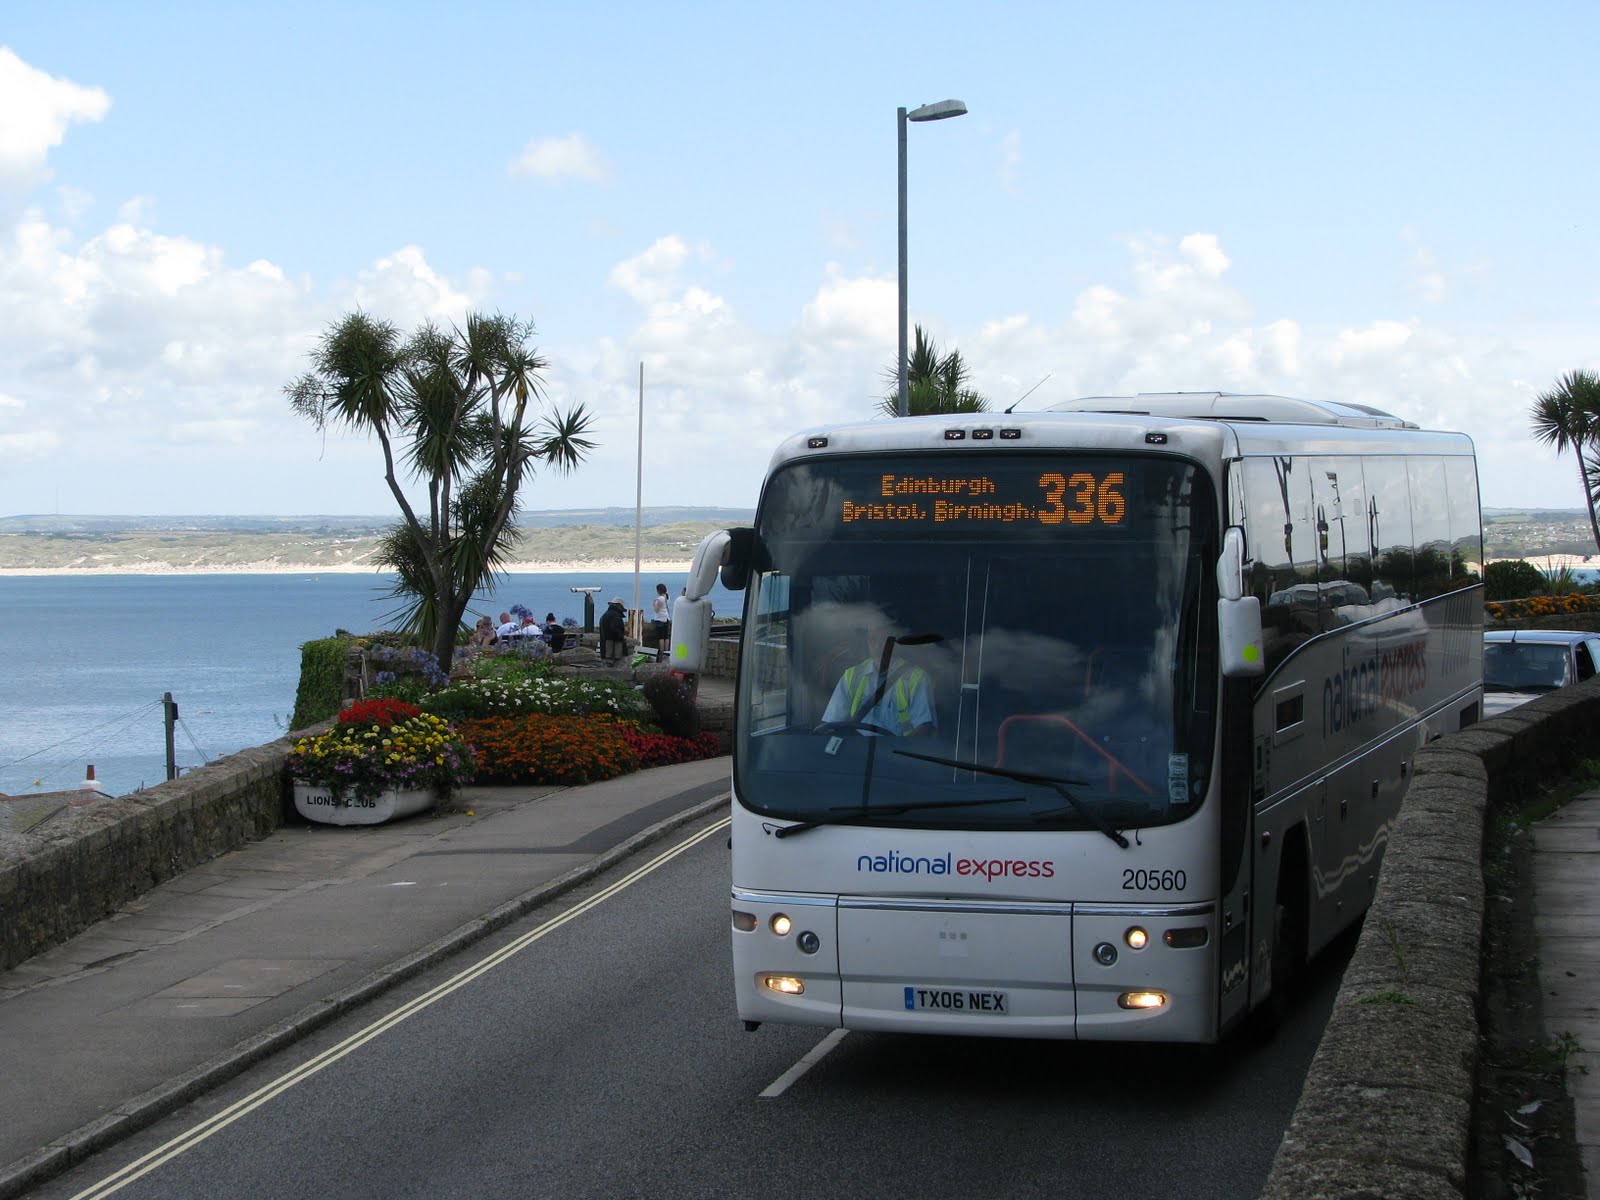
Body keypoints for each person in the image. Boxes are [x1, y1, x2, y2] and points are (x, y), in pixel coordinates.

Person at [820, 615, 936, 736]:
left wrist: (898, 751)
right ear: (867, 642)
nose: (878, 645)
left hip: (899, 753)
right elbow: (832, 725)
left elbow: (924, 728)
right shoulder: (851, 676)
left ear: (897, 642)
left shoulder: (917, 678)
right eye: (873, 639)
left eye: (885, 640)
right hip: (856, 751)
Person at [598, 597, 629, 663]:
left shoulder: (604, 615)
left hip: (605, 650)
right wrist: (622, 636)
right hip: (613, 654)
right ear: (619, 606)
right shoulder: (615, 616)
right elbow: (614, 631)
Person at [650, 582, 671, 662]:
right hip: (666, 618)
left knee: (661, 637)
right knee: (666, 636)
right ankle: (667, 652)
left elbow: (656, 610)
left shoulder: (659, 599)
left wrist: (653, 604)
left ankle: (662, 652)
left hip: (660, 619)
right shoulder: (667, 597)